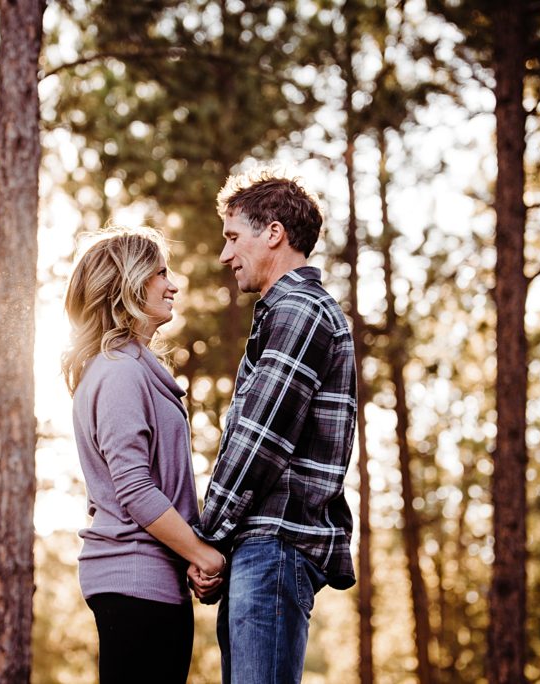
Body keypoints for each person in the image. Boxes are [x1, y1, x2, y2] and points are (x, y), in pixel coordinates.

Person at [189, 172, 358, 684]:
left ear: (274, 233)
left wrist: (207, 540)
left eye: (233, 237)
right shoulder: (288, 312)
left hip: (274, 547)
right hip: (261, 547)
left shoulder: (299, 310)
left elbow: (260, 441)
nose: (225, 255)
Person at [63, 227, 226, 684]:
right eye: (160, 273)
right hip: (134, 582)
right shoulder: (118, 373)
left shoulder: (131, 367)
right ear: (128, 284)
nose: (172, 285)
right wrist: (203, 555)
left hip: (150, 581)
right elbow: (134, 489)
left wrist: (189, 559)